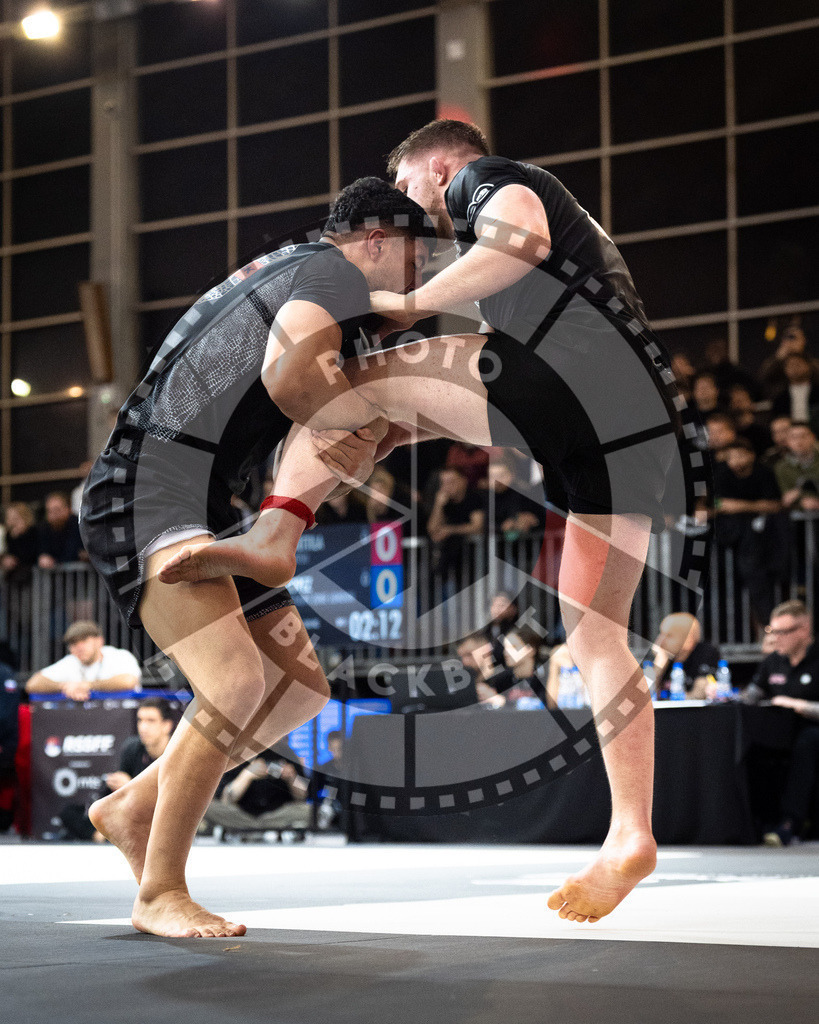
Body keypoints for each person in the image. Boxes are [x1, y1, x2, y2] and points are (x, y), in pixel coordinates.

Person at [162, 120, 695, 924]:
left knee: (361, 383)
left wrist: (404, 303)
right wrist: (402, 420)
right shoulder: (553, 256)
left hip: (580, 374)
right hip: (631, 424)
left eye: (412, 190)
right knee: (592, 634)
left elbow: (515, 241)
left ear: (435, 165)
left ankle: (276, 531)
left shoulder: (485, 174)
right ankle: (630, 834)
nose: (419, 214)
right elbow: (495, 352)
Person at [79, 178, 435, 938]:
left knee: (299, 690)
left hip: (200, 500)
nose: (416, 278)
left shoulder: (293, 268)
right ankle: (160, 893)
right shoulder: (329, 273)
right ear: (374, 239)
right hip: (144, 492)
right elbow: (288, 376)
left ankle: (133, 806)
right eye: (413, 257)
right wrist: (356, 417)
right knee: (237, 683)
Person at [742, 600, 819, 846]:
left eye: (782, 632)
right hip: (780, 732)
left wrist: (797, 704)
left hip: (812, 731)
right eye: (772, 632)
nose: (776, 639)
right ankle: (752, 821)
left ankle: (790, 823)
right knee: (749, 743)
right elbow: (751, 695)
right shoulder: (772, 662)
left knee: (807, 741)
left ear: (804, 630)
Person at [61, 697, 175, 841]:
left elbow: (175, 801)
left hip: (162, 815)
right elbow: (117, 795)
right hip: (129, 812)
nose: (143, 727)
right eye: (140, 720)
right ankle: (103, 836)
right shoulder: (133, 748)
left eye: (151, 721)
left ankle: (106, 837)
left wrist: (132, 787)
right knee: (70, 813)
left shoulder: (176, 755)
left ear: (167, 726)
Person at [712, 439, 784, 629]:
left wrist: (737, 506)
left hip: (763, 541)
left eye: (739, 455)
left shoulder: (764, 473)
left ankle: (769, 625)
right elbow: (716, 504)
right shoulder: (722, 474)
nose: (734, 460)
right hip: (728, 539)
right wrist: (753, 507)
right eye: (730, 457)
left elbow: (775, 505)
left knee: (760, 581)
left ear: (751, 455)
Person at [203, 747, 310, 838]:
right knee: (205, 808)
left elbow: (303, 796)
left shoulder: (287, 753)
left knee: (312, 810)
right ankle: (253, 830)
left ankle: (260, 830)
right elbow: (226, 798)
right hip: (241, 815)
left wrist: (292, 778)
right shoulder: (237, 754)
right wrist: (247, 775)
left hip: (278, 815)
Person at [25, 620, 141, 700]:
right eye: (73, 643)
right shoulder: (70, 661)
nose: (79, 647)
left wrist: (87, 685)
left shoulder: (119, 656)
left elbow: (129, 681)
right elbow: (32, 684)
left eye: (84, 640)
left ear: (99, 641)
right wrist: (65, 686)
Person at [650, 612, 720, 700]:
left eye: (669, 636)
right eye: (661, 634)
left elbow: (698, 695)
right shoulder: (662, 654)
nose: (660, 642)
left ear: (688, 639)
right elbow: (643, 696)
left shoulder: (705, 653)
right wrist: (659, 664)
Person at [773, 422, 819, 512]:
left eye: (803, 436)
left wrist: (798, 493)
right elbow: (785, 498)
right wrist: (802, 502)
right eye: (794, 437)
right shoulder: (781, 467)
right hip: (797, 514)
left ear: (812, 437)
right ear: (787, 441)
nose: (799, 441)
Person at [37, 492, 84, 568]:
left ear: (68, 509)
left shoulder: (78, 525)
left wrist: (54, 562)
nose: (53, 515)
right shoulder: (44, 528)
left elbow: (73, 552)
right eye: (50, 511)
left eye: (57, 510)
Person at [1, 502, 38, 584]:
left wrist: (20, 537)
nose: (12, 521)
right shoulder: (9, 535)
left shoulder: (33, 531)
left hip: (31, 577)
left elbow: (30, 555)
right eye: (9, 518)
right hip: (14, 578)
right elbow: (10, 553)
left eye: (15, 518)